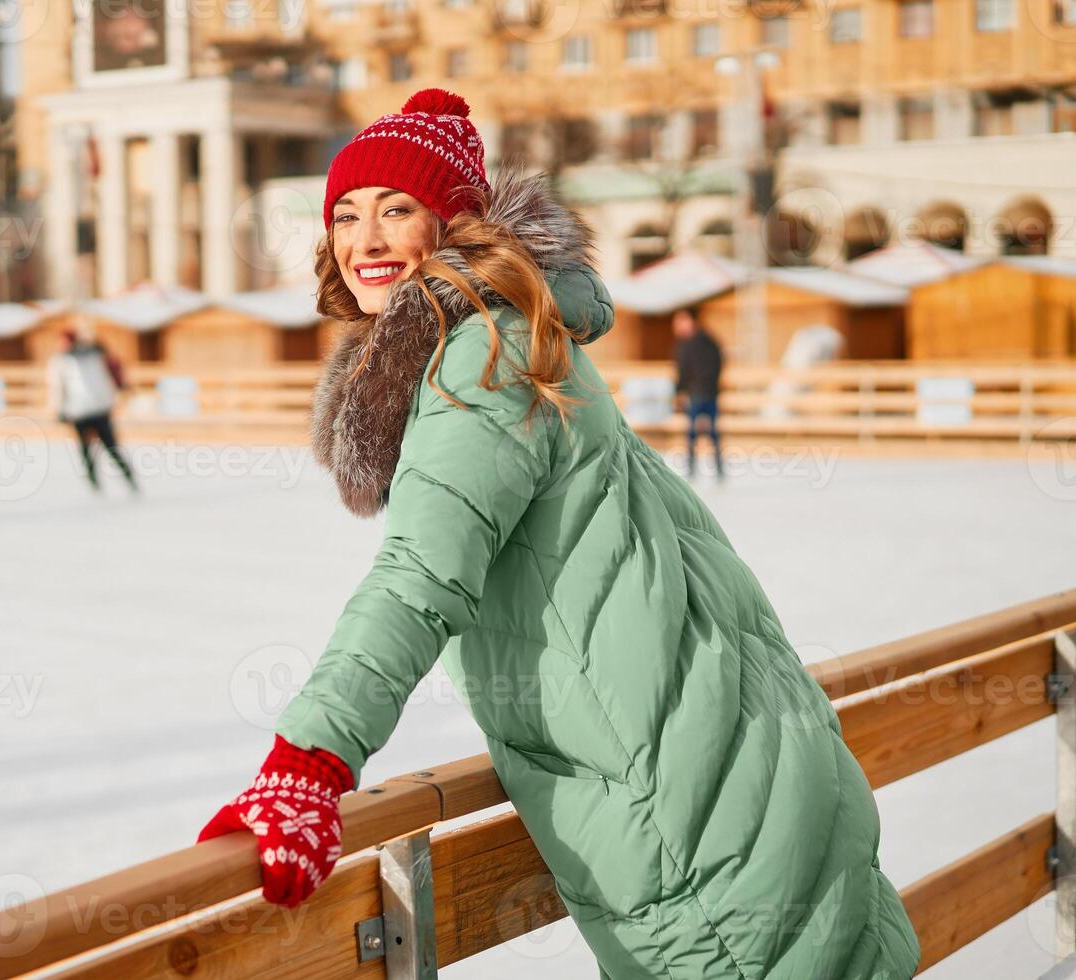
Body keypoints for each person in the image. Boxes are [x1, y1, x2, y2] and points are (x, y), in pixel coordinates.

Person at [195, 89, 919, 979]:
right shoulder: (525, 335)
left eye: (396, 210)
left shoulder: (481, 356)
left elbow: (422, 576)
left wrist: (310, 756)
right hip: (734, 759)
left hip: (683, 806)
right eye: (345, 214)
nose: (365, 239)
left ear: (454, 222)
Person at [46, 328, 139, 494]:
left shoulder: (93, 355)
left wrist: (121, 386)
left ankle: (130, 480)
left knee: (111, 448)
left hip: (99, 408)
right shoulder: (63, 361)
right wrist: (59, 409)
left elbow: (113, 368)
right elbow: (57, 388)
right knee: (87, 450)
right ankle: (95, 485)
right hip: (79, 412)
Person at [673, 306, 725, 480]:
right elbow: (682, 372)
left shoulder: (708, 343)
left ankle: (719, 470)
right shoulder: (683, 345)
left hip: (705, 394)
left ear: (691, 321)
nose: (677, 325)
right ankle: (691, 470)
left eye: (681, 320)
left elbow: (715, 367)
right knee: (691, 435)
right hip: (693, 394)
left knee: (712, 433)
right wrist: (679, 392)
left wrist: (705, 390)